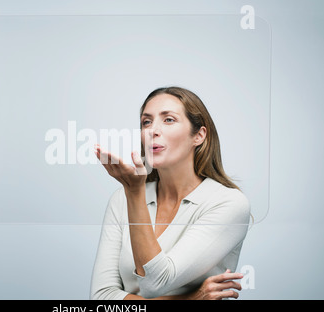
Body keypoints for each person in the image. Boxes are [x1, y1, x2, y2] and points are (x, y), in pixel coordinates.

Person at [90, 86, 251, 300]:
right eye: (146, 122)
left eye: (168, 120)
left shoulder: (228, 203)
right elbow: (101, 296)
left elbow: (154, 283)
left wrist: (134, 193)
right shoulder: (122, 199)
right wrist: (191, 299)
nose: (152, 130)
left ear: (199, 135)